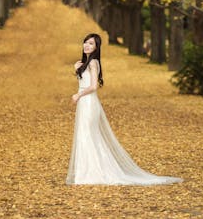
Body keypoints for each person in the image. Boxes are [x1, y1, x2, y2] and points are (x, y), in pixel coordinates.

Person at [66, 33, 183, 185]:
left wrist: (78, 94)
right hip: (83, 103)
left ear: (96, 48)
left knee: (88, 135)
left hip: (89, 102)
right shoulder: (81, 63)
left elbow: (94, 86)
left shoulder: (94, 62)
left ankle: (93, 173)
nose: (87, 45)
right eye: (86, 42)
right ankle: (85, 171)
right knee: (85, 135)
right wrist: (79, 70)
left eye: (91, 44)